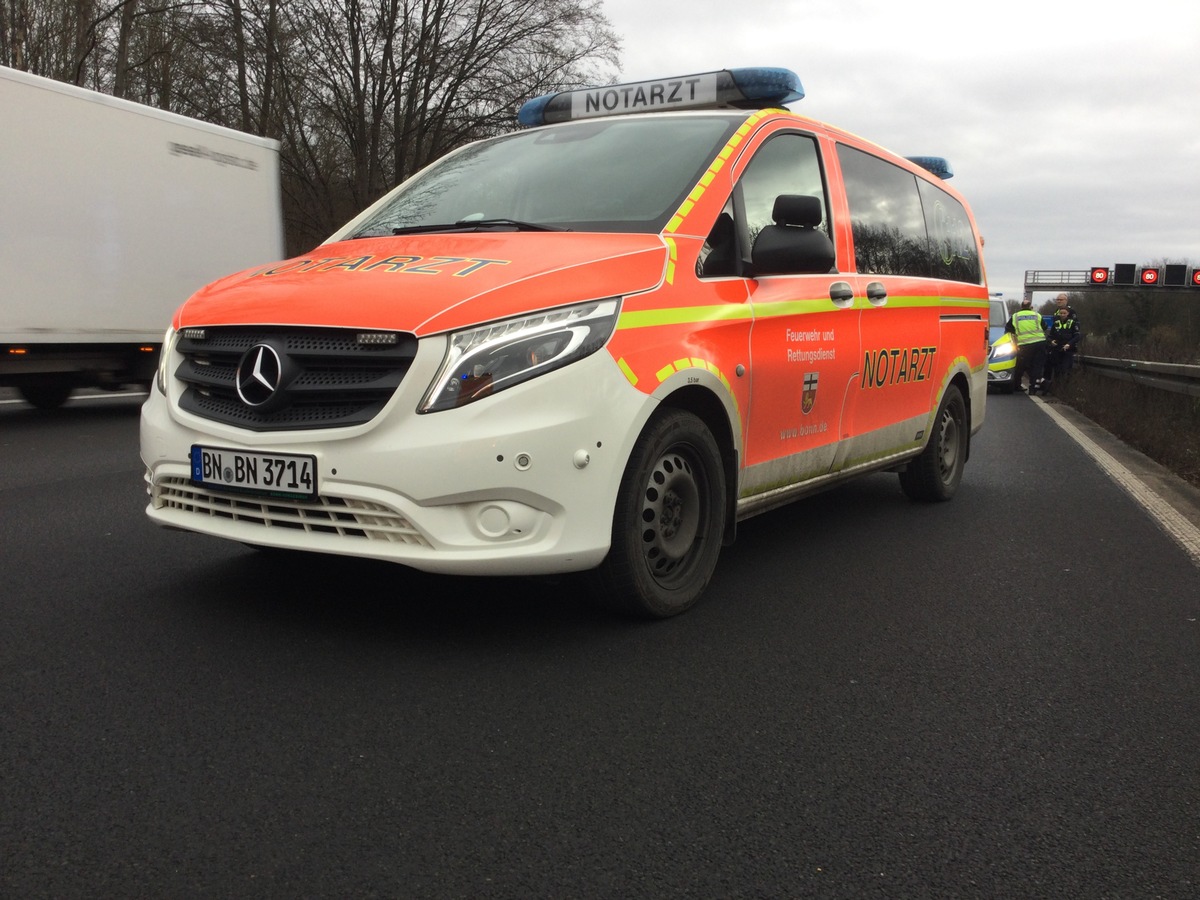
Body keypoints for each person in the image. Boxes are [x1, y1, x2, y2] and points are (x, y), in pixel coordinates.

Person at [1005, 297, 1048, 394]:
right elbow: (1044, 327)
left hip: (1024, 345)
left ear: (1021, 307)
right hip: (1040, 343)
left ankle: (1017, 385)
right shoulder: (1037, 315)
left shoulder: (1015, 316)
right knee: (1037, 366)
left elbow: (1008, 329)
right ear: (1031, 307)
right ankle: (1034, 388)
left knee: (1022, 366)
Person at [1045, 301, 1082, 388]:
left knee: (1065, 369)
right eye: (1061, 313)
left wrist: (1069, 344)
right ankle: (1057, 388)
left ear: (1068, 313)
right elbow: (1050, 336)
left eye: (1064, 313)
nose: (1062, 315)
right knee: (1057, 370)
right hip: (1057, 350)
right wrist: (1051, 341)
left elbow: (1077, 336)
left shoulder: (1072, 323)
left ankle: (1065, 387)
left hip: (1068, 350)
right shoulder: (1056, 323)